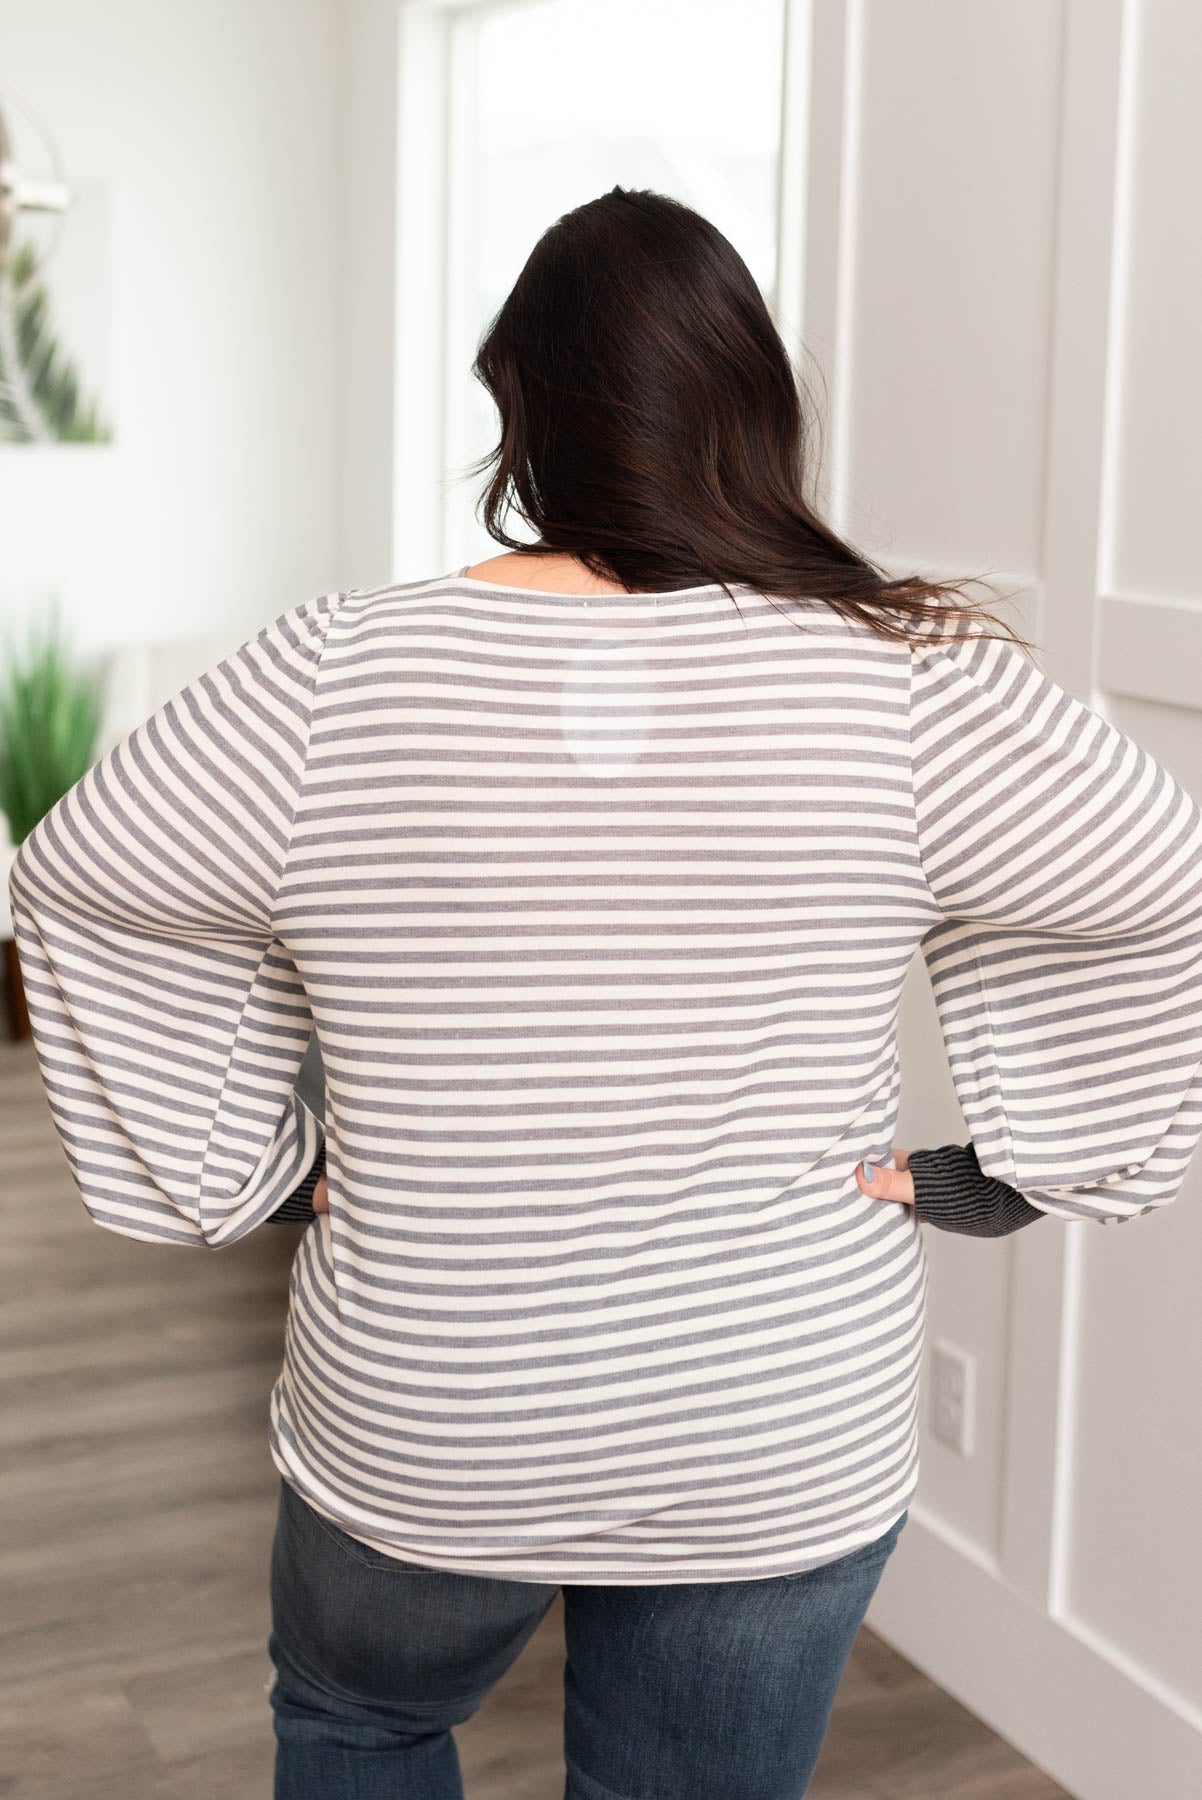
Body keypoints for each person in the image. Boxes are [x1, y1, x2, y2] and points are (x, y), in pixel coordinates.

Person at [10, 188, 1202, 1800]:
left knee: (364, 1724)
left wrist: (259, 1167)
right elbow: (1161, 881)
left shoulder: (331, 675)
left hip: (429, 1408)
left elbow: (80, 880)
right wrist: (1008, 1175)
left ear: (518, 408)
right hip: (775, 1417)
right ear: (755, 412)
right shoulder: (905, 679)